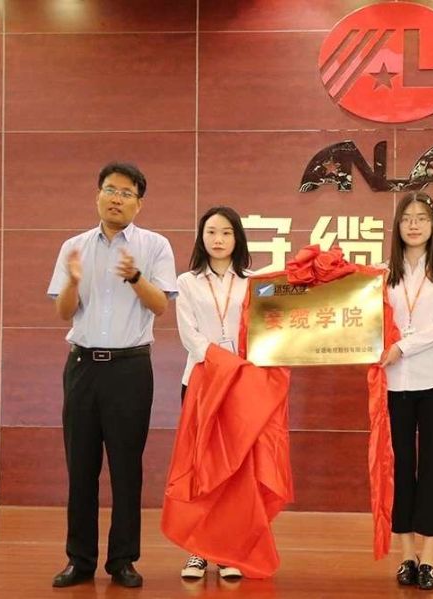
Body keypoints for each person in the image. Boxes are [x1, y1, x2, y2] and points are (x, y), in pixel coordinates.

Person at [47, 162, 177, 588]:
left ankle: (123, 560)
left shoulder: (154, 246)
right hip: (82, 367)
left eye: (126, 193)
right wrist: (73, 283)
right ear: (97, 195)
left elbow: (160, 305)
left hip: (129, 369)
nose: (116, 199)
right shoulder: (74, 247)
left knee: (126, 468)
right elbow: (64, 312)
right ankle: (79, 560)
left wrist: (135, 276)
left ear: (139, 203)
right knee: (80, 467)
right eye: (110, 189)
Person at [379, 191, 433, 591]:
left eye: (421, 218)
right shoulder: (383, 274)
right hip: (394, 385)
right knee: (399, 467)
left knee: (431, 468)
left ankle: (429, 558)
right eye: (407, 218)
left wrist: (402, 346)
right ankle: (407, 556)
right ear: (397, 226)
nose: (413, 225)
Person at [174, 206, 252, 581]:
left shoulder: (253, 282)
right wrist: (222, 361)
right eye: (211, 232)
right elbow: (190, 336)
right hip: (202, 381)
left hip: (241, 385)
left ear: (237, 238)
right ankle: (197, 551)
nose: (218, 239)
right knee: (201, 468)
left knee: (234, 471)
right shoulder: (187, 282)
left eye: (226, 232)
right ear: (201, 238)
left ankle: (227, 550)